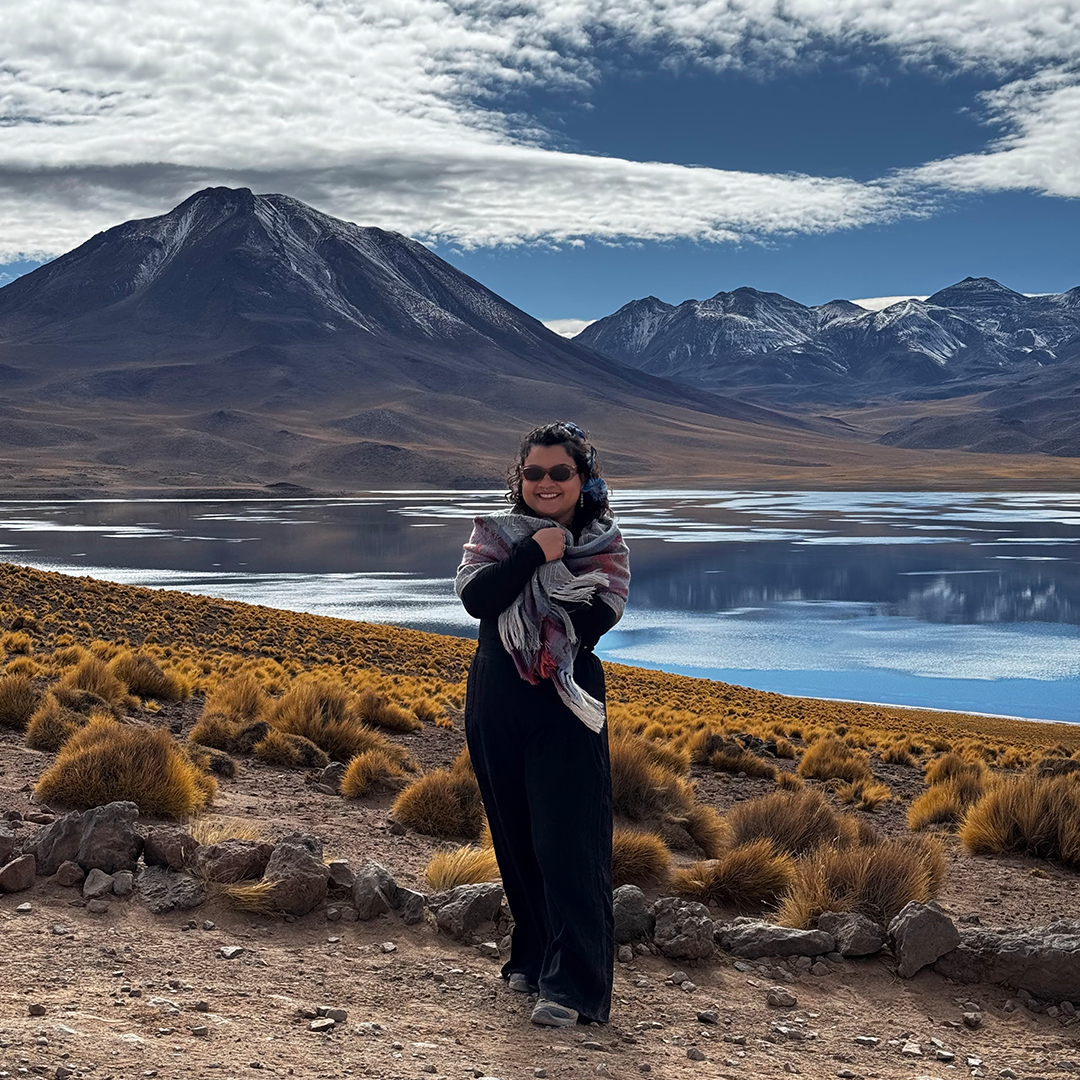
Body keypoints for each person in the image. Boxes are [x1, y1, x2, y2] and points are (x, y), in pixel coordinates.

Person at [454, 421, 630, 1027]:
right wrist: (537, 553)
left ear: (584, 478)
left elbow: (596, 617)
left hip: (565, 703)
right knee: (516, 838)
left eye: (561, 472)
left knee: (567, 843)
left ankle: (575, 985)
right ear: (519, 478)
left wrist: (551, 563)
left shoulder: (604, 546)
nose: (546, 482)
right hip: (495, 701)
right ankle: (531, 957)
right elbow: (478, 600)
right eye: (534, 473)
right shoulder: (495, 536)